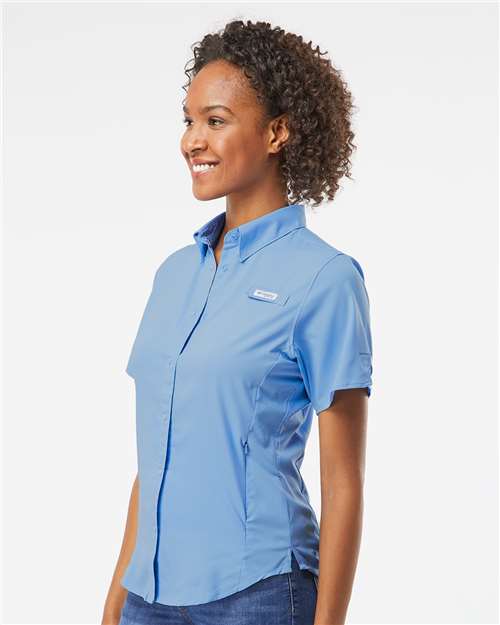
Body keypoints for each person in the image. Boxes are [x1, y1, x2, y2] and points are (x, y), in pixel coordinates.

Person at [101, 19, 373, 625]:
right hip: (147, 595)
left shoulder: (325, 278)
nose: (192, 140)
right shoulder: (173, 274)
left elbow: (343, 480)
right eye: (188, 121)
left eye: (216, 121)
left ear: (277, 132)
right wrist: (117, 597)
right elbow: (157, 455)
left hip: (258, 594)